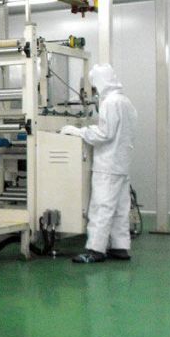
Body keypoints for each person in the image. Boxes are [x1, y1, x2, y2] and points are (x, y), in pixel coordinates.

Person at [61, 64, 137, 264]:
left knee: (101, 207)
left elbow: (104, 134)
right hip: (122, 165)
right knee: (120, 209)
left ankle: (95, 249)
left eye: (94, 85)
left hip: (107, 165)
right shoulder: (126, 102)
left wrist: (79, 132)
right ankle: (120, 247)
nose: (94, 90)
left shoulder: (110, 103)